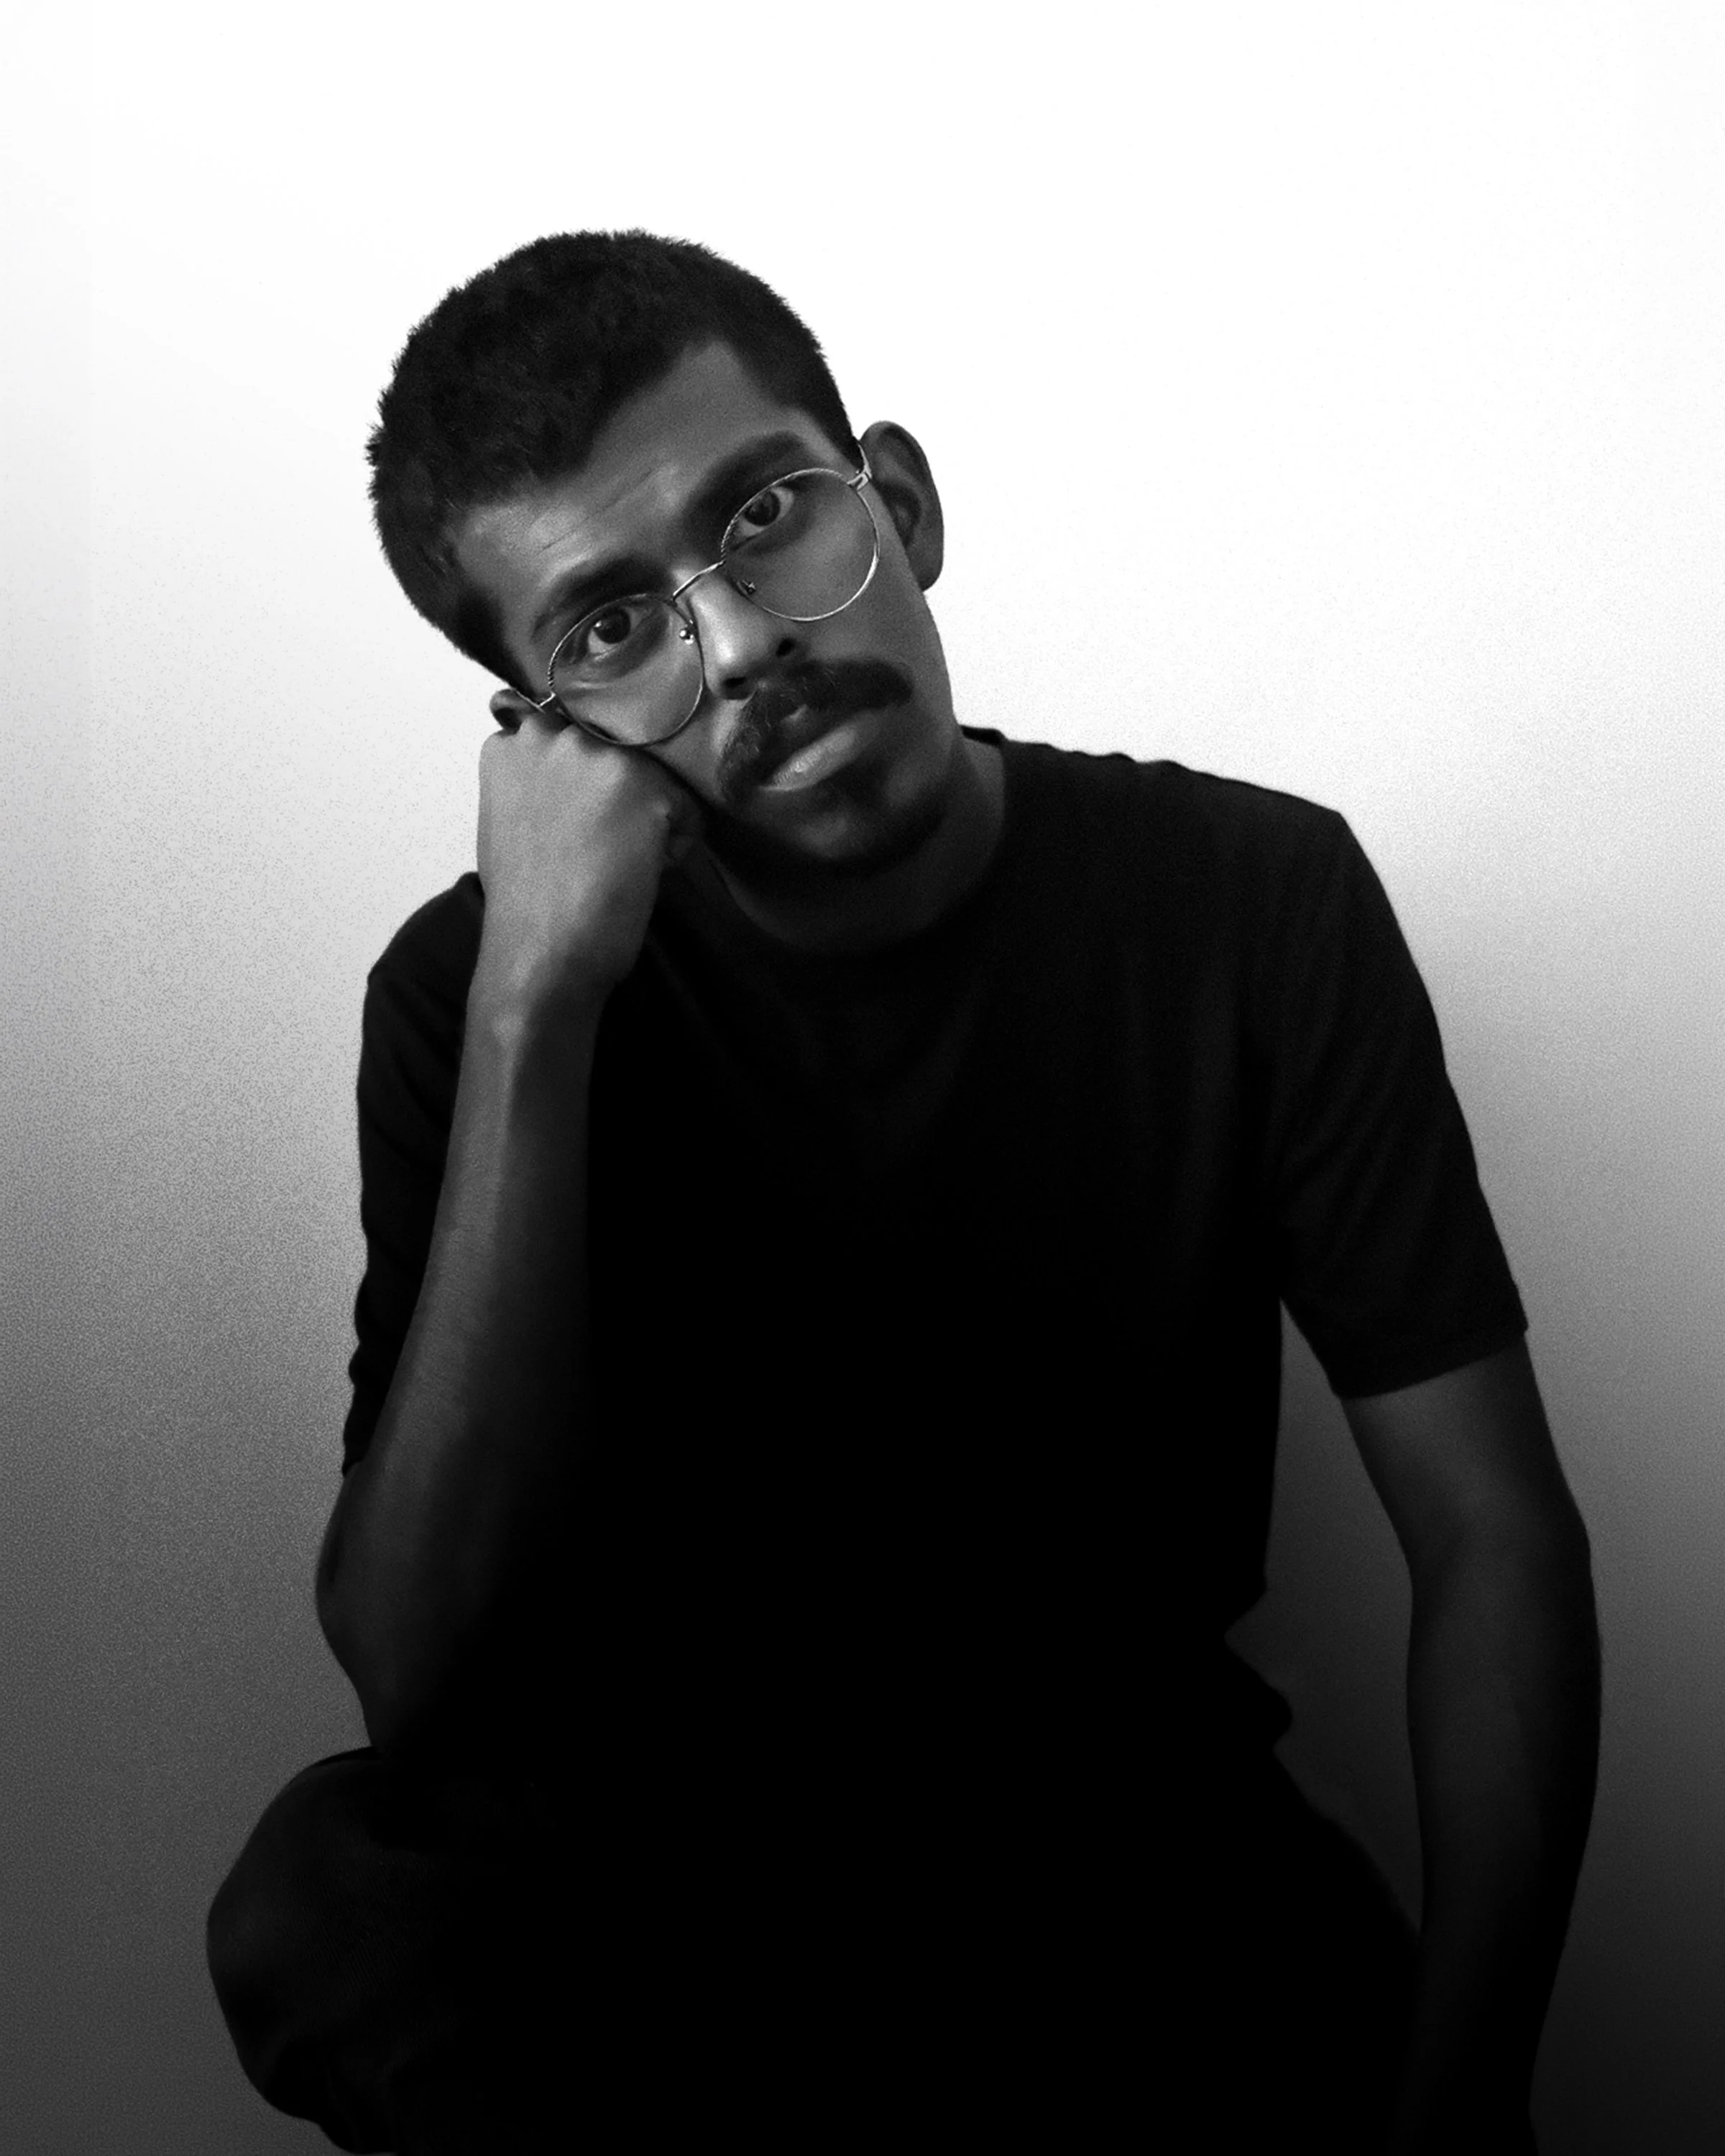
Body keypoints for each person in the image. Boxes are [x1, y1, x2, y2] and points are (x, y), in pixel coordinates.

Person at [206, 231, 1600, 2153]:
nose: (748, 645)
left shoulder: (1253, 902)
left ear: (905, 502)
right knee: (326, 1898)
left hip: (1131, 1868)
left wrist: (1469, 2109)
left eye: (768, 516)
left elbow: (1491, 1540)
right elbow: (414, 1672)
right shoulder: (474, 999)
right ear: (542, 742)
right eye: (608, 630)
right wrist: (545, 1007)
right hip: (674, 1925)